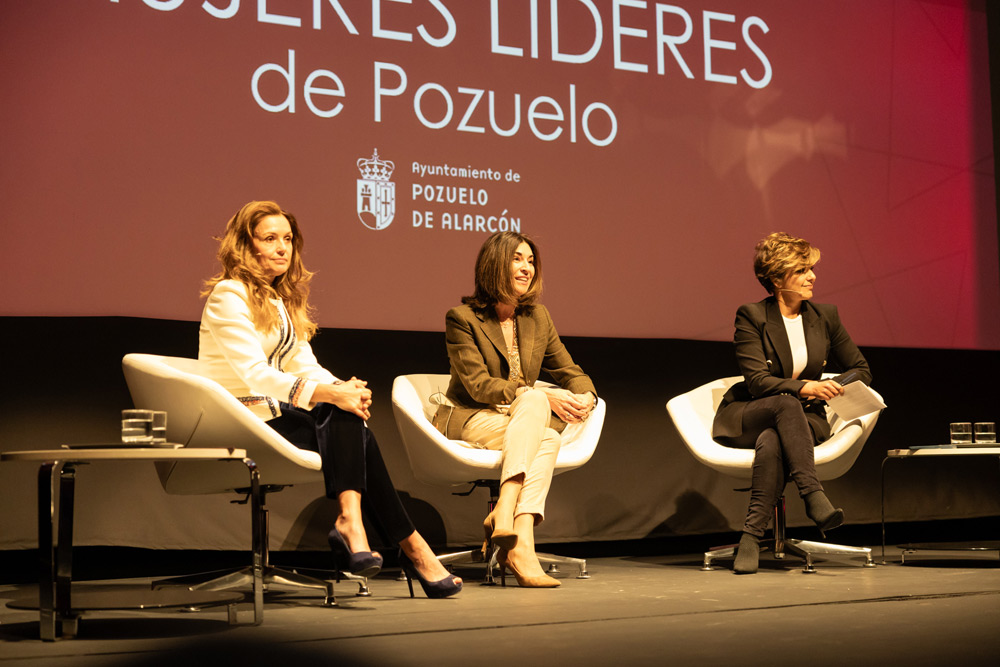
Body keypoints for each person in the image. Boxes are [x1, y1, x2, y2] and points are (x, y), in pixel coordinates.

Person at [198, 200, 461, 598]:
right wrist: (330, 394)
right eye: (270, 238)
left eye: (287, 239)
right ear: (245, 246)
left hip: (274, 418)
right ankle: (410, 548)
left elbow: (307, 366)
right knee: (347, 421)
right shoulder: (228, 296)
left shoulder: (279, 301)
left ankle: (357, 527)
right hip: (235, 419)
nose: (283, 247)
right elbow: (253, 374)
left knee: (344, 412)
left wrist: (345, 389)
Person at [434, 231, 597, 588]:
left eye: (530, 261)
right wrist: (532, 395)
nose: (526, 268)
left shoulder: (537, 317)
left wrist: (587, 395)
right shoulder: (462, 318)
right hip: (471, 417)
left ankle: (515, 532)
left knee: (548, 438)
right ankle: (512, 525)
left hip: (519, 422)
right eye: (517, 259)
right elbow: (478, 385)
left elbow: (569, 369)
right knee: (539, 404)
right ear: (495, 265)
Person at [712, 232, 872, 574]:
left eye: (811, 268)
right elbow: (757, 381)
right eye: (802, 270)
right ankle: (813, 495)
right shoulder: (752, 315)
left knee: (772, 442)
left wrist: (831, 387)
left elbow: (860, 369)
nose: (813, 276)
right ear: (775, 278)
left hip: (804, 420)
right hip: (751, 413)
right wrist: (807, 388)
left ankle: (751, 538)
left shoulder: (825, 316)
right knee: (785, 403)